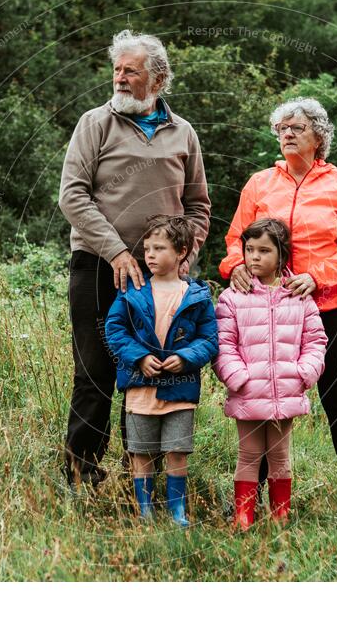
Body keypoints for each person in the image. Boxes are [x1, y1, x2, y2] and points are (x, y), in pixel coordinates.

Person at [58, 30, 211, 488]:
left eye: (131, 71)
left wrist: (185, 254)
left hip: (161, 277)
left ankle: (137, 478)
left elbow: (199, 206)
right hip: (98, 266)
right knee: (94, 371)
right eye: (117, 70)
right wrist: (117, 251)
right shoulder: (94, 123)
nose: (120, 79)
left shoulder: (183, 132)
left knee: (148, 371)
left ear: (158, 78)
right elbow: (72, 196)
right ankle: (80, 474)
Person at [219, 97, 337, 508]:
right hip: (265, 311)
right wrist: (236, 264)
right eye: (282, 129)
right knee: (257, 399)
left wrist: (315, 276)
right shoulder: (260, 183)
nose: (287, 134)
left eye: (297, 128)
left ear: (318, 137)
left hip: (329, 307)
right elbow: (237, 239)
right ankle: (248, 507)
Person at [105, 216, 218, 526]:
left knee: (177, 451)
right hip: (140, 387)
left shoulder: (195, 295)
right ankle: (144, 512)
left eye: (159, 248)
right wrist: (139, 357)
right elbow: (115, 329)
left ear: (181, 251)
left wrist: (187, 357)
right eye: (147, 248)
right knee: (141, 453)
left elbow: (209, 338)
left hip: (180, 389)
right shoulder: (132, 290)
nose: (150, 255)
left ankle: (177, 511)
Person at [214, 218, 326, 529]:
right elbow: (224, 344)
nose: (254, 257)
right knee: (248, 455)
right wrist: (238, 378)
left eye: (264, 250)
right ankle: (243, 518)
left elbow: (315, 340)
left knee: (279, 457)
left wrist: (303, 373)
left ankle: (280, 518)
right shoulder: (232, 298)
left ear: (282, 255)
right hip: (248, 392)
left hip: (285, 392)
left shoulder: (299, 297)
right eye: (249, 250)